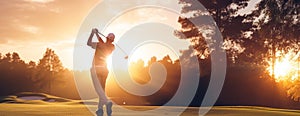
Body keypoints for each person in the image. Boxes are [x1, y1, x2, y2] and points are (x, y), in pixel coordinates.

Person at [87, 28, 115, 116]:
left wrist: (96, 34)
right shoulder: (105, 45)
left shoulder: (110, 46)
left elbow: (103, 46)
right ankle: (100, 109)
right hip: (104, 70)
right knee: (101, 90)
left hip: (97, 69)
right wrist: (92, 33)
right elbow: (88, 43)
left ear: (108, 38)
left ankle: (107, 102)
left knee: (98, 89)